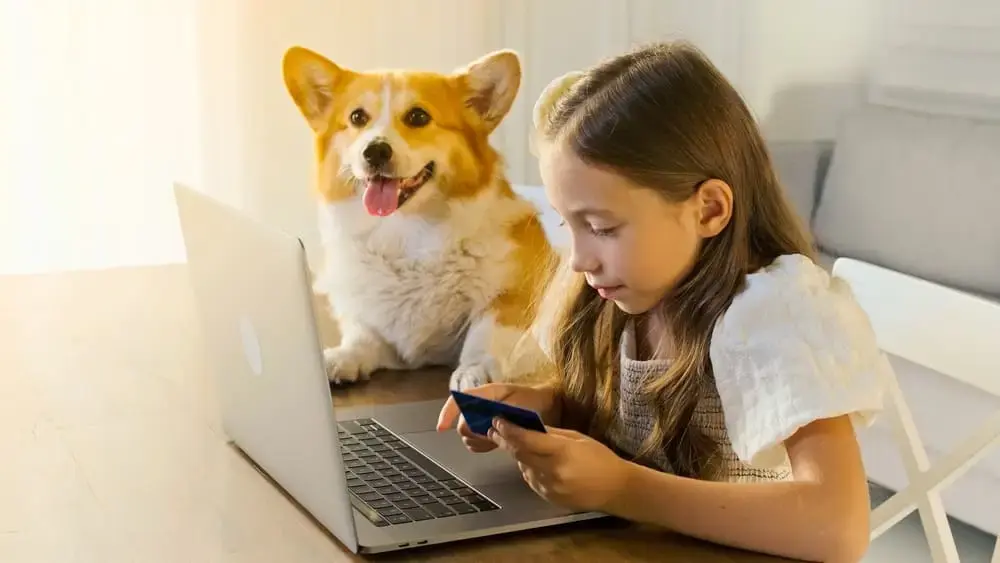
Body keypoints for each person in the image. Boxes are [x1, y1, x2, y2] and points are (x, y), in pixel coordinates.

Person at [436, 41, 890, 563]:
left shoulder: (773, 313)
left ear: (709, 210)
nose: (579, 259)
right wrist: (547, 407)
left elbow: (839, 529)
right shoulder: (629, 292)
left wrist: (620, 488)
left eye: (602, 228)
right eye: (568, 224)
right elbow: (631, 420)